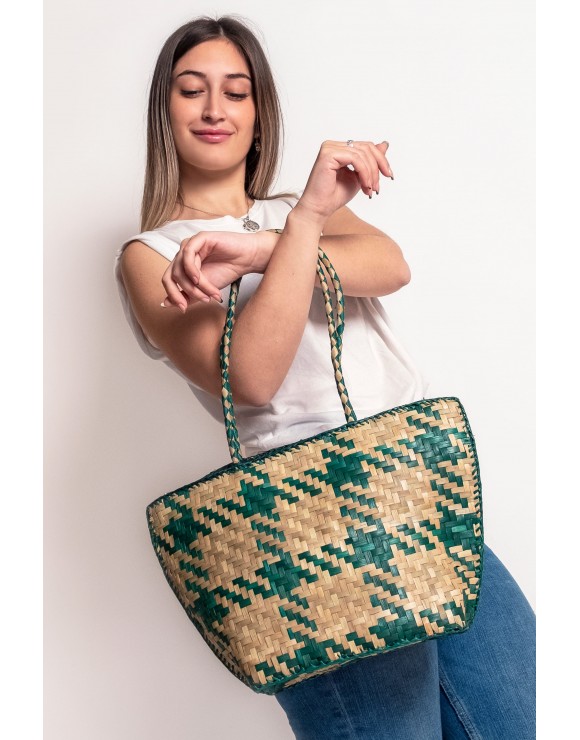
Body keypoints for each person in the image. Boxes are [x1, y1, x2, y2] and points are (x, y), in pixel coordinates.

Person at [115, 15, 535, 740]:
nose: (214, 109)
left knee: (522, 716)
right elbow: (253, 377)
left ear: (259, 114)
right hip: (309, 528)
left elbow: (390, 266)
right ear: (165, 109)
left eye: (236, 92)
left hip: (420, 493)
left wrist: (261, 249)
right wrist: (309, 219)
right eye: (191, 90)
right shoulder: (151, 255)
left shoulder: (284, 216)